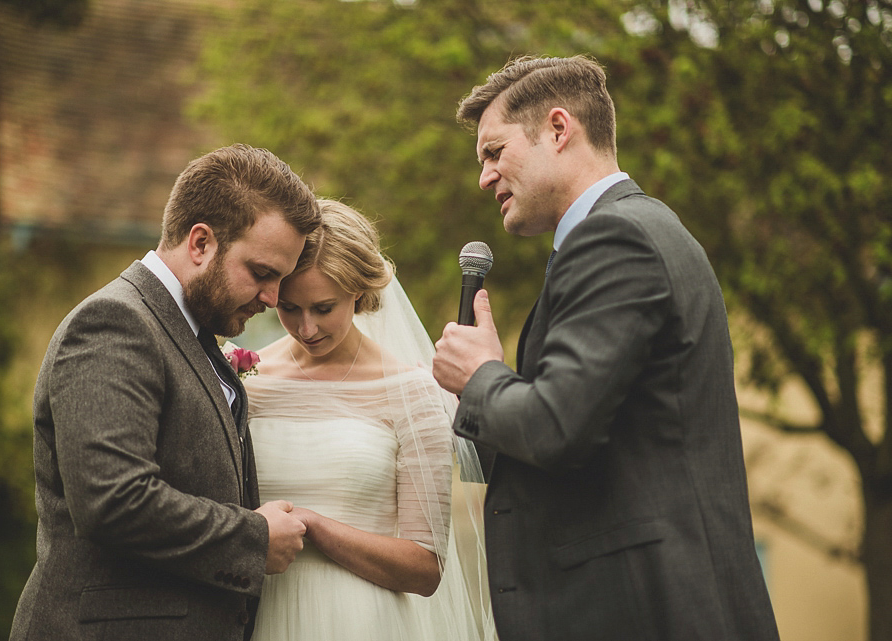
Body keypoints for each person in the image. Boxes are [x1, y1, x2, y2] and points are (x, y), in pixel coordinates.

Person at [432, 55, 780, 641]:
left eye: (494, 153)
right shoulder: (636, 231)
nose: (484, 178)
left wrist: (484, 376)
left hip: (647, 607)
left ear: (559, 129)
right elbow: (587, 443)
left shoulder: (615, 237)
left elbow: (556, 427)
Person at [9, 144, 320, 641]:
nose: (272, 298)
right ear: (200, 243)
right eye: (262, 273)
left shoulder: (188, 331)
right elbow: (113, 499)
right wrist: (253, 539)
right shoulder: (115, 323)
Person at [243, 199, 495, 641]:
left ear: (357, 291)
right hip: (253, 616)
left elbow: (425, 568)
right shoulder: (245, 380)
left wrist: (315, 526)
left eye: (323, 308)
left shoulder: (411, 392)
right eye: (288, 307)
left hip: (359, 621)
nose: (306, 328)